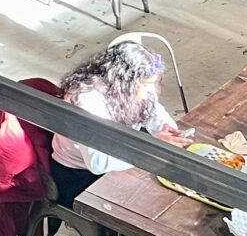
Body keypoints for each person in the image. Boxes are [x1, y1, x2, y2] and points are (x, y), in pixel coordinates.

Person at [48, 42, 186, 209]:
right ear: (125, 82)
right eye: (145, 85)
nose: (150, 91)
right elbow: (98, 163)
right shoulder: (87, 100)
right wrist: (150, 146)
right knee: (150, 205)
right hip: (79, 176)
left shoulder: (130, 90)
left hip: (119, 154)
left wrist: (166, 128)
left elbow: (154, 110)